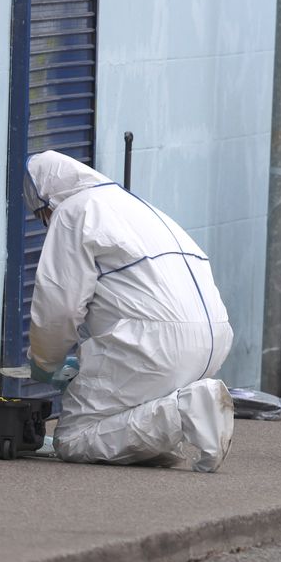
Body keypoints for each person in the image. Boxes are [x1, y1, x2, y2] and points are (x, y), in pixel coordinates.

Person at [24, 151, 235, 472]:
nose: (45, 223)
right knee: (122, 415)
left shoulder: (73, 212)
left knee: (74, 438)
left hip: (156, 343)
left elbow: (59, 309)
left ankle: (189, 409)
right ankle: (181, 414)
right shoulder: (141, 209)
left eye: (42, 215)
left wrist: (44, 362)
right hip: (211, 341)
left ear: (49, 200)